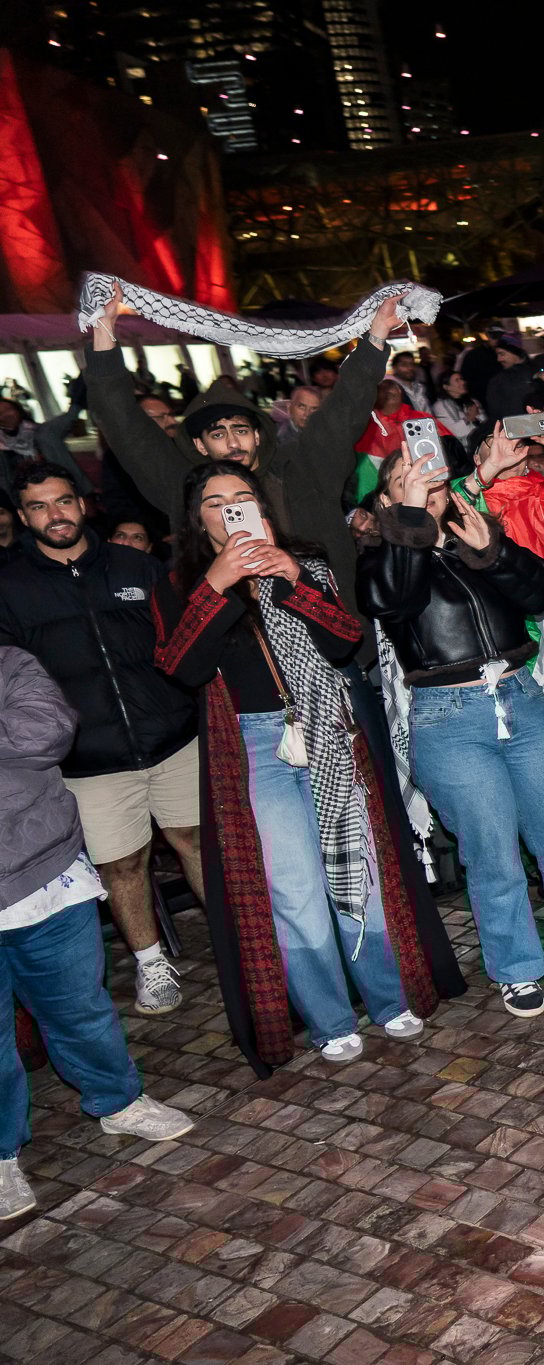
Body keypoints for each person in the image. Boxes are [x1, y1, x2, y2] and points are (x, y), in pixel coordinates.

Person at [151, 462, 465, 1071]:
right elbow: (182, 668)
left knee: (359, 871)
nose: (231, 510)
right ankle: (328, 1020)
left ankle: (389, 998)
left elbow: (347, 640)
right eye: (216, 502)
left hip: (326, 730)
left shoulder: (304, 563)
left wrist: (291, 576)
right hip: (256, 747)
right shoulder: (183, 585)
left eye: (242, 497)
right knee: (294, 890)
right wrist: (217, 585)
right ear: (198, 518)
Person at [358, 449, 544, 1018]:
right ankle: (516, 968)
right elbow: (391, 603)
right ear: (388, 503)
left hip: (521, 698)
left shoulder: (473, 537)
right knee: (492, 853)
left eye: (432, 485)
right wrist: (408, 526)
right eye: (410, 486)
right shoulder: (382, 560)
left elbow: (543, 593)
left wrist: (493, 552)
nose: (427, 493)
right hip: (448, 716)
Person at [0, 647, 194, 1217]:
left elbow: (47, 731)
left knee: (81, 1009)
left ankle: (118, 1101)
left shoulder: (9, 663)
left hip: (44, 873)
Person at [0, 462, 198, 1015]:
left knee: (201, 845)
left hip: (175, 740)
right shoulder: (8, 589)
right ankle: (152, 964)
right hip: (89, 761)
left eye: (62, 501)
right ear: (22, 517)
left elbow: (182, 643)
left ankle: (236, 947)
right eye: (38, 506)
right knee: (121, 865)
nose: (54, 514)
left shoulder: (137, 565)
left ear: (83, 504)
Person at [85, 282, 398, 626]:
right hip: (248, 647)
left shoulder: (303, 469)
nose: (233, 443)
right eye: (218, 434)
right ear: (200, 445)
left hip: (335, 633)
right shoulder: (186, 490)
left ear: (258, 435)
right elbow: (124, 425)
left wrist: (377, 335)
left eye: (242, 430)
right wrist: (103, 330)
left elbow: (344, 410)